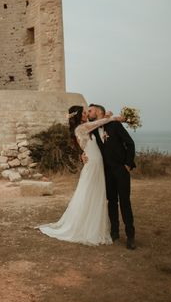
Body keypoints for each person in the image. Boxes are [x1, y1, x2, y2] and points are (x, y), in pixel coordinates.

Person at [35, 105, 125, 246]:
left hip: (97, 164)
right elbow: (97, 123)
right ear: (78, 115)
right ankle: (86, 227)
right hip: (93, 164)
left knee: (96, 195)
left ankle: (95, 225)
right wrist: (113, 118)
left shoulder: (87, 128)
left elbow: (99, 124)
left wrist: (106, 115)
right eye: (84, 112)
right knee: (89, 195)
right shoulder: (81, 129)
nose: (86, 114)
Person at [86, 104, 137, 250]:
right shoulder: (94, 129)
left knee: (125, 201)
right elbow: (86, 145)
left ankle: (130, 236)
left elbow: (130, 143)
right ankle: (114, 232)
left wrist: (128, 164)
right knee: (112, 202)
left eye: (91, 110)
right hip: (106, 172)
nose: (89, 113)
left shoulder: (115, 125)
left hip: (121, 169)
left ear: (99, 111)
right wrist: (82, 156)